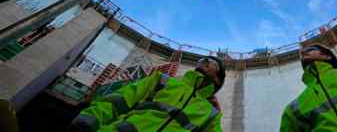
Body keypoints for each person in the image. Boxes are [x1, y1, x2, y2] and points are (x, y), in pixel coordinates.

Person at [69, 56, 226, 132]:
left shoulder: (211, 113)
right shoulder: (164, 80)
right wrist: (86, 122)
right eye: (202, 60)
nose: (203, 63)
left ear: (218, 79)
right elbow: (118, 100)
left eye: (209, 63)